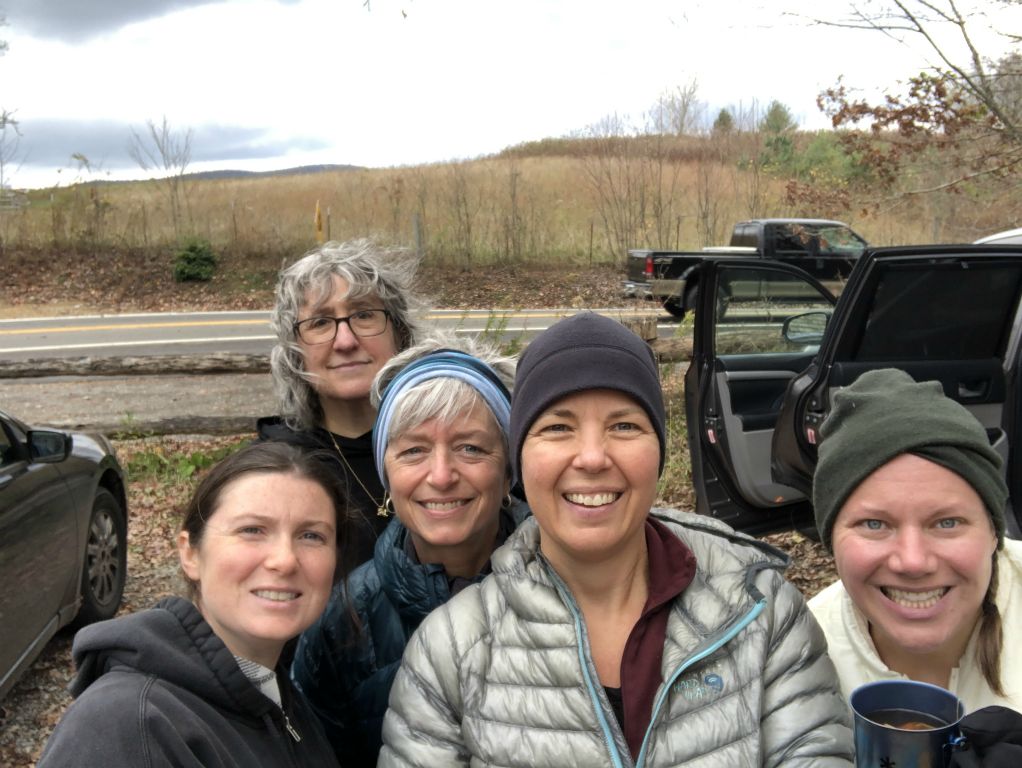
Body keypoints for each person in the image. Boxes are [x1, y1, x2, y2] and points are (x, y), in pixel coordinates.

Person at [379, 311, 854, 767]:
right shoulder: (449, 651)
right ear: (519, 462)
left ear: (660, 453)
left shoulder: (761, 611)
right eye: (557, 427)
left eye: (624, 425)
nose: (591, 457)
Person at [292, 338, 529, 767]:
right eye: (413, 450)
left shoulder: (570, 587)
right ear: (386, 472)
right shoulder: (343, 622)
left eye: (470, 448)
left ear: (509, 468)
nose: (440, 476)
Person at [37, 442, 347, 767]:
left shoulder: (280, 701)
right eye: (252, 530)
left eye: (311, 536)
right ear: (190, 554)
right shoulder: (126, 727)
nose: (284, 560)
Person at [808, 368, 1022, 711]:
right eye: (874, 524)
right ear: (831, 538)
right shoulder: (804, 653)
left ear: (994, 531)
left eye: (947, 522)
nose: (912, 561)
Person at [259, 238, 426, 565]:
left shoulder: (450, 442)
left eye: (364, 315)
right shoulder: (271, 473)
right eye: (320, 323)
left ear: (400, 333)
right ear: (294, 352)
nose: (346, 341)